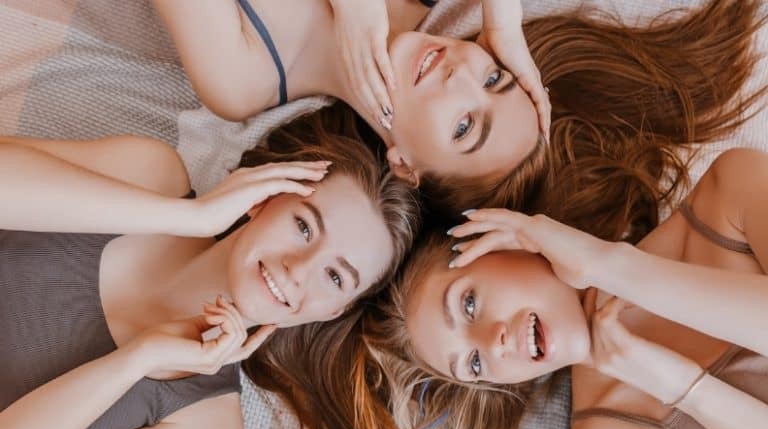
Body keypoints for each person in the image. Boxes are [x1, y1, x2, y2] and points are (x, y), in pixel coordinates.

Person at [154, 0, 764, 230]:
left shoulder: (240, 76)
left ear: (405, 166)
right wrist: (502, 19)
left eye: (465, 126)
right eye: (495, 77)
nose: (461, 74)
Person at [0, 110, 420, 429]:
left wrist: (139, 358)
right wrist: (192, 217)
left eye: (335, 277)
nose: (298, 268)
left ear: (334, 311)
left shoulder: (205, 427)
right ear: (264, 197)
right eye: (304, 227)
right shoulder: (150, 175)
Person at [368, 147, 768, 429]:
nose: (493, 343)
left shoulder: (728, 194)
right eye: (474, 364)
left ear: (498, 240)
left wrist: (610, 267)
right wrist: (682, 388)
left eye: (468, 304)